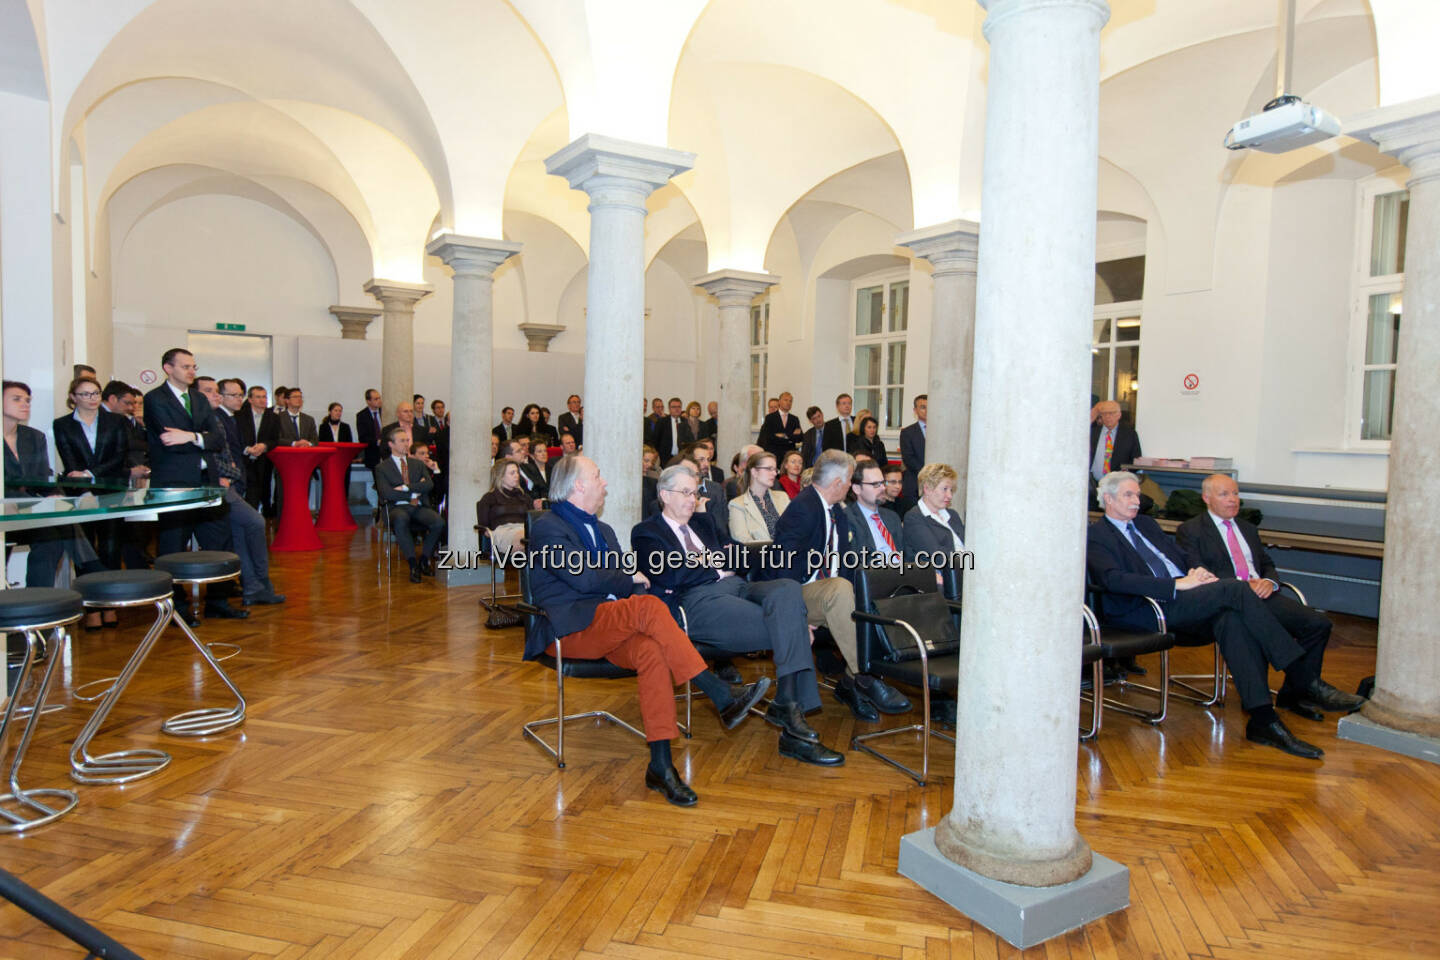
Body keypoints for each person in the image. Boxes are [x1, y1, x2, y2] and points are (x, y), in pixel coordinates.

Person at [528, 455, 770, 805]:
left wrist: (633, 581)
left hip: (609, 622)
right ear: (578, 485)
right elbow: (583, 578)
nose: (605, 483)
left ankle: (660, 765)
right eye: (598, 476)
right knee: (650, 607)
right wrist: (629, 578)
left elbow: (620, 582)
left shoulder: (605, 530)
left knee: (652, 651)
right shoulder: (549, 527)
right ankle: (720, 694)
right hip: (570, 629)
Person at [1087, 471, 1364, 759]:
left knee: (1232, 619)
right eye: (1128, 495)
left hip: (1183, 599)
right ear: (1108, 499)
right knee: (1235, 590)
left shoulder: (1146, 524)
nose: (1136, 501)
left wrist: (1195, 571)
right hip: (1145, 610)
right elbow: (1112, 580)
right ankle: (1303, 677)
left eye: (1137, 495)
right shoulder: (1096, 535)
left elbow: (1178, 558)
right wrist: (1175, 584)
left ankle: (1263, 720)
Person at [632, 465, 844, 766]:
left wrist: (715, 560)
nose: (693, 499)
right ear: (664, 495)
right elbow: (673, 573)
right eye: (685, 493)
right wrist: (717, 561)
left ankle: (787, 706)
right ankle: (793, 721)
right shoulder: (646, 532)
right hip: (700, 600)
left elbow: (742, 556)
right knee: (791, 621)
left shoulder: (704, 524)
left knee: (786, 589)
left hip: (739, 587)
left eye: (695, 493)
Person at [1175, 474, 1346, 722]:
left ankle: (1293, 694)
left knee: (1318, 624)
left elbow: (1267, 564)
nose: (1233, 500)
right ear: (1206, 498)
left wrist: (1269, 581)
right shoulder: (1190, 531)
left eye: (1235, 493)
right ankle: (1301, 686)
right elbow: (1198, 571)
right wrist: (1241, 586)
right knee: (1247, 625)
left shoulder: (1248, 528)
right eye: (1224, 494)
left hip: (1263, 595)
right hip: (1228, 599)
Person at [767, 449, 912, 721]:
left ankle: (849, 685)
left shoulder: (836, 511)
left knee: (871, 601)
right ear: (836, 483)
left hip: (828, 593)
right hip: (796, 592)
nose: (848, 487)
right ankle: (866, 676)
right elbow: (782, 568)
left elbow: (845, 563)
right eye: (847, 482)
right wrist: (797, 614)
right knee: (839, 589)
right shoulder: (802, 508)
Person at [142, 349, 247, 621]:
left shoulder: (199, 399)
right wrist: (200, 436)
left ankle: (218, 601)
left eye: (193, 366)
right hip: (174, 483)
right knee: (173, 547)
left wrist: (190, 436)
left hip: (206, 481)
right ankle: (176, 609)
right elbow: (168, 439)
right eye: (186, 366)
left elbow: (215, 440)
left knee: (219, 542)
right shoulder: (155, 399)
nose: (192, 371)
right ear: (168, 368)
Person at [3, 381, 107, 607]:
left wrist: (56, 495)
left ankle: (35, 605)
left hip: (28, 514)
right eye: (17, 399)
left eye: (28, 400)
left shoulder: (33, 437)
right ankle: (93, 568)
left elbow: (44, 476)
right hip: (7, 513)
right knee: (58, 525)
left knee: (53, 535)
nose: (25, 404)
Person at [206, 378, 285, 605]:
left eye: (240, 394)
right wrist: (229, 472)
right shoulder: (216, 418)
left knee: (241, 537)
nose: (238, 399)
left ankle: (254, 588)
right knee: (256, 523)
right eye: (234, 395)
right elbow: (215, 453)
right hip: (225, 485)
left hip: (236, 481)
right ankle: (259, 585)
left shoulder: (228, 418)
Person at [54, 375, 130, 571]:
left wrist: (89, 472)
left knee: (111, 546)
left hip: (112, 490)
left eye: (96, 393)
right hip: (79, 492)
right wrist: (85, 488)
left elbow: (119, 455)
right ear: (73, 397)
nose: (92, 398)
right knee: (84, 548)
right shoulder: (62, 424)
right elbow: (69, 461)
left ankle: (112, 593)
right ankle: (87, 595)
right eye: (85, 394)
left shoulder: (117, 421)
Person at [375, 425, 445, 583]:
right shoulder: (382, 467)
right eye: (401, 441)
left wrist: (407, 487)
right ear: (391, 444)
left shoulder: (417, 464)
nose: (406, 444)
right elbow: (387, 493)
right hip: (395, 507)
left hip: (417, 506)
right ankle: (413, 564)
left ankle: (424, 559)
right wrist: (413, 493)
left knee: (438, 522)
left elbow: (428, 485)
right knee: (401, 519)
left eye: (407, 440)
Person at [902, 463, 966, 559]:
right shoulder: (914, 517)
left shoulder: (953, 515)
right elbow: (937, 556)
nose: (950, 495)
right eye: (945, 489)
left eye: (951, 490)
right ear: (927, 489)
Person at [844, 460, 903, 565]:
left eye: (882, 483)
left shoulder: (892, 517)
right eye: (875, 484)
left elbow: (906, 554)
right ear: (857, 488)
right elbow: (856, 561)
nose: (883, 488)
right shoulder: (847, 518)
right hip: (875, 575)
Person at [728, 451, 789, 544]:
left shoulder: (783, 497)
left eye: (775, 469)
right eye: (769, 469)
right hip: (760, 556)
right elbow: (743, 542)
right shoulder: (737, 505)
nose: (774, 473)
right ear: (754, 472)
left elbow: (797, 530)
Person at [237, 385, 279, 513]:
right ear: (250, 399)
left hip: (263, 461)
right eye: (258, 397)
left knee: (261, 491)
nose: (262, 400)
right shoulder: (239, 415)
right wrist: (247, 449)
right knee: (245, 493)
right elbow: (234, 437)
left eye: (264, 397)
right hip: (243, 460)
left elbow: (275, 439)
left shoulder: (273, 417)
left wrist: (264, 446)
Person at [477, 459, 530, 555]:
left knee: (539, 534)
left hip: (523, 529)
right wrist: (487, 532)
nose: (516, 476)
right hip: (503, 532)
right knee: (531, 536)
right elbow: (483, 525)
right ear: (501, 477)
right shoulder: (489, 498)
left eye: (517, 472)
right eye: (512, 473)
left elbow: (532, 518)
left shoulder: (523, 497)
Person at [1089, 400, 1141, 483]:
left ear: (1119, 415)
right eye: (1104, 413)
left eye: (1111, 413)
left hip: (1118, 483)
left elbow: (1136, 460)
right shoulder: (1092, 433)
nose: (1108, 416)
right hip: (1092, 482)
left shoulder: (1129, 434)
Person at [898, 394, 927, 504]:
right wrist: (927, 473)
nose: (926, 411)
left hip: (936, 483)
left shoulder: (939, 431)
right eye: (923, 407)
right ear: (915, 410)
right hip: (915, 483)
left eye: (929, 407)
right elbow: (908, 458)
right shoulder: (907, 432)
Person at [758, 391, 803, 458]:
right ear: (779, 402)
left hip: (789, 455)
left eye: (790, 401)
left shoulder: (794, 419)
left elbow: (799, 437)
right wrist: (790, 436)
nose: (788, 403)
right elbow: (770, 437)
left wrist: (782, 435)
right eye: (786, 400)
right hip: (774, 454)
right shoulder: (770, 418)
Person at [356, 388, 386, 468]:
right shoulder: (362, 416)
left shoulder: (385, 412)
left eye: (379, 398)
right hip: (372, 453)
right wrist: (377, 442)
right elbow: (362, 437)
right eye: (376, 399)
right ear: (368, 401)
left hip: (386, 452)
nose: (379, 400)